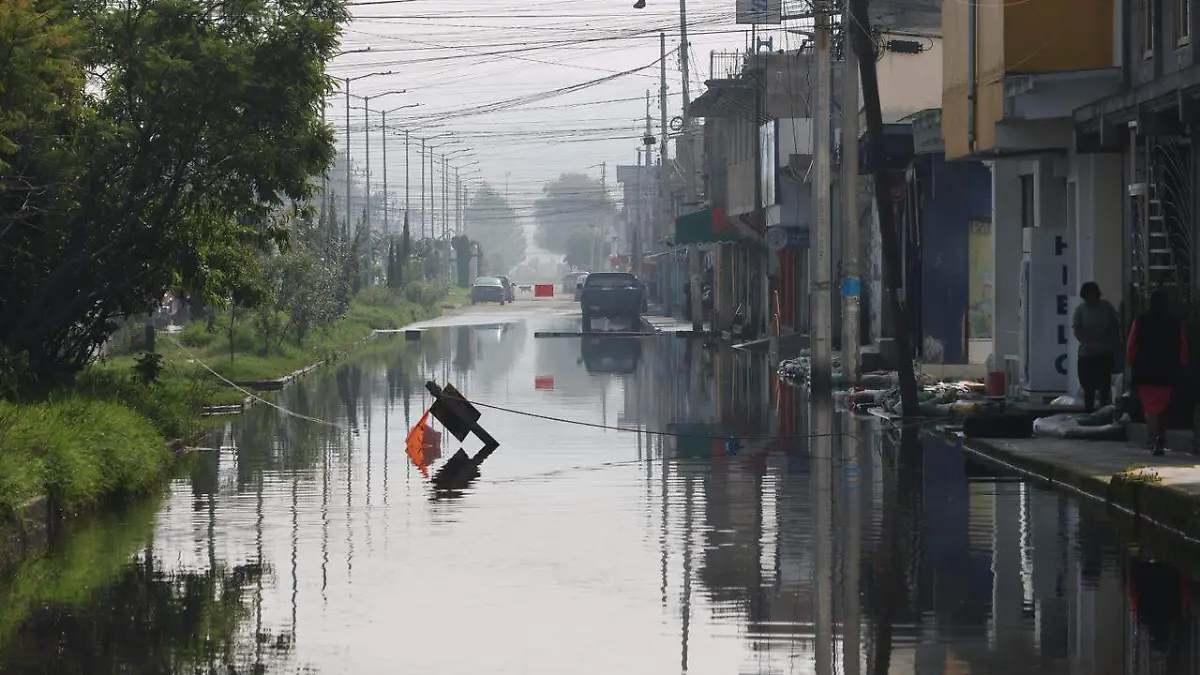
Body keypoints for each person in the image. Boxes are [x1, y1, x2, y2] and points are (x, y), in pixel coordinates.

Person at [1127, 288, 1188, 456]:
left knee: (1150, 408)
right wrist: (1182, 366)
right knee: (1163, 406)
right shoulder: (1175, 324)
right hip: (1168, 371)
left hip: (1145, 371)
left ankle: (1155, 438)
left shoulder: (1140, 321)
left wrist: (1131, 363)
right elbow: (1183, 347)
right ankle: (1160, 435)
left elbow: (1131, 345)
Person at [1072, 281, 1121, 413]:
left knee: (1104, 385)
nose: (1090, 296)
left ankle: (1104, 412)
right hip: (1087, 353)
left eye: (1092, 293)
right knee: (1088, 387)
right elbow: (1077, 330)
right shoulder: (1081, 310)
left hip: (1104, 351)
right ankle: (1089, 411)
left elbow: (1114, 325)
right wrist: (1086, 342)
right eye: (1088, 293)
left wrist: (1112, 341)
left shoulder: (1106, 307)